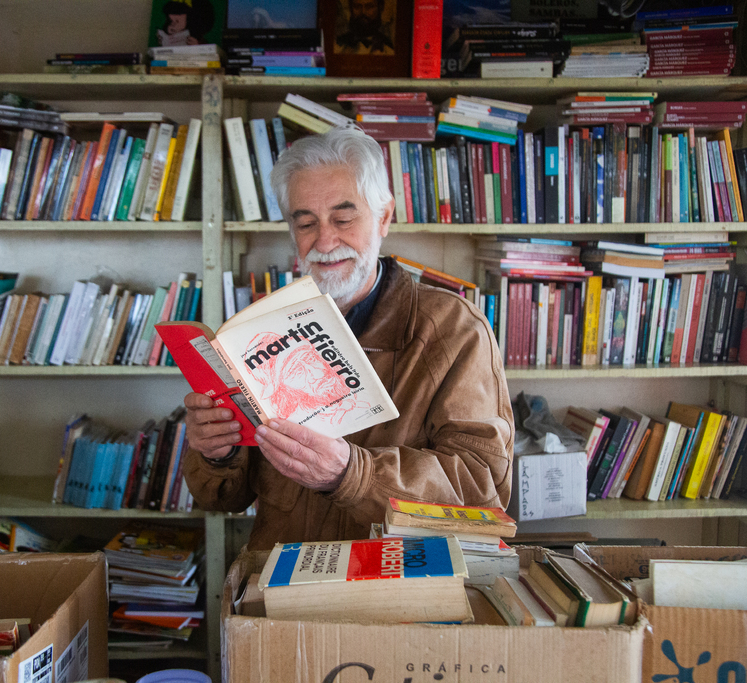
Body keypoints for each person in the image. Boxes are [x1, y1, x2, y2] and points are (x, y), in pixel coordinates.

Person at [181, 126, 514, 551]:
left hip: (396, 589)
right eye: (305, 223)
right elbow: (221, 498)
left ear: (384, 217)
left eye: (343, 218)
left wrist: (352, 475)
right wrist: (217, 453)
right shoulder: (260, 331)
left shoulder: (453, 329)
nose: (325, 241)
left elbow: (482, 489)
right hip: (283, 583)